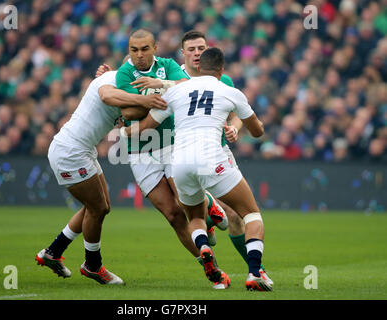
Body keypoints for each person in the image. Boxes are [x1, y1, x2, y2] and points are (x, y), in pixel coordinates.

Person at [123, 48, 273, 291]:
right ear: (221, 70)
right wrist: (253, 124)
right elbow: (257, 131)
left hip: (179, 163)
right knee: (251, 215)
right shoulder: (230, 91)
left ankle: (203, 246)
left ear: (199, 68)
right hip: (212, 160)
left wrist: (123, 130)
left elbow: (147, 126)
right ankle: (255, 273)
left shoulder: (177, 91)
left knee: (194, 217)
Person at [112, 28, 231, 288]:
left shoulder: (166, 66)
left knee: (184, 199)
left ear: (155, 48)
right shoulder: (124, 73)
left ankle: (210, 206)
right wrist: (156, 100)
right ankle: (208, 264)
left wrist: (159, 90)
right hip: (140, 152)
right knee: (173, 215)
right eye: (134, 50)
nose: (139, 55)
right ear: (129, 51)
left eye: (145, 49)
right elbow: (127, 110)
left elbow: (188, 85)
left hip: (170, 143)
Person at [35, 70, 167, 285]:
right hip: (70, 152)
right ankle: (93, 266)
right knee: (98, 208)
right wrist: (152, 101)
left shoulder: (117, 81)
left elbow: (127, 116)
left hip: (82, 150)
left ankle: (53, 252)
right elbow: (111, 99)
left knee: (99, 205)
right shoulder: (114, 83)